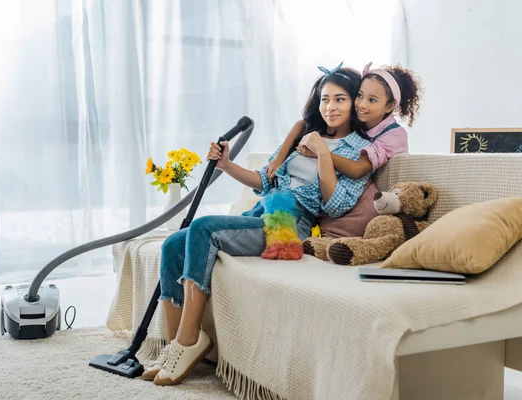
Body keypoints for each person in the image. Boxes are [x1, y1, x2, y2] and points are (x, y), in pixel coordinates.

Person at [143, 65, 372, 386]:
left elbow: (334, 204)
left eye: (340, 99)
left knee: (203, 228)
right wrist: (226, 164)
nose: (330, 107)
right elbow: (265, 180)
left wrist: (322, 153)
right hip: (262, 213)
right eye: (324, 99)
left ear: (353, 104)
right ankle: (173, 345)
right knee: (172, 244)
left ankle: (188, 340)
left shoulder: (356, 150)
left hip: (291, 225)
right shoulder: (303, 134)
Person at [266, 62, 422, 180]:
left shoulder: (394, 135)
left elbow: (357, 170)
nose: (362, 104)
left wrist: (320, 153)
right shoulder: (358, 121)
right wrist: (280, 156)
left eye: (372, 100)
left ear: (390, 106)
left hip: (387, 196)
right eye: (359, 96)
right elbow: (304, 123)